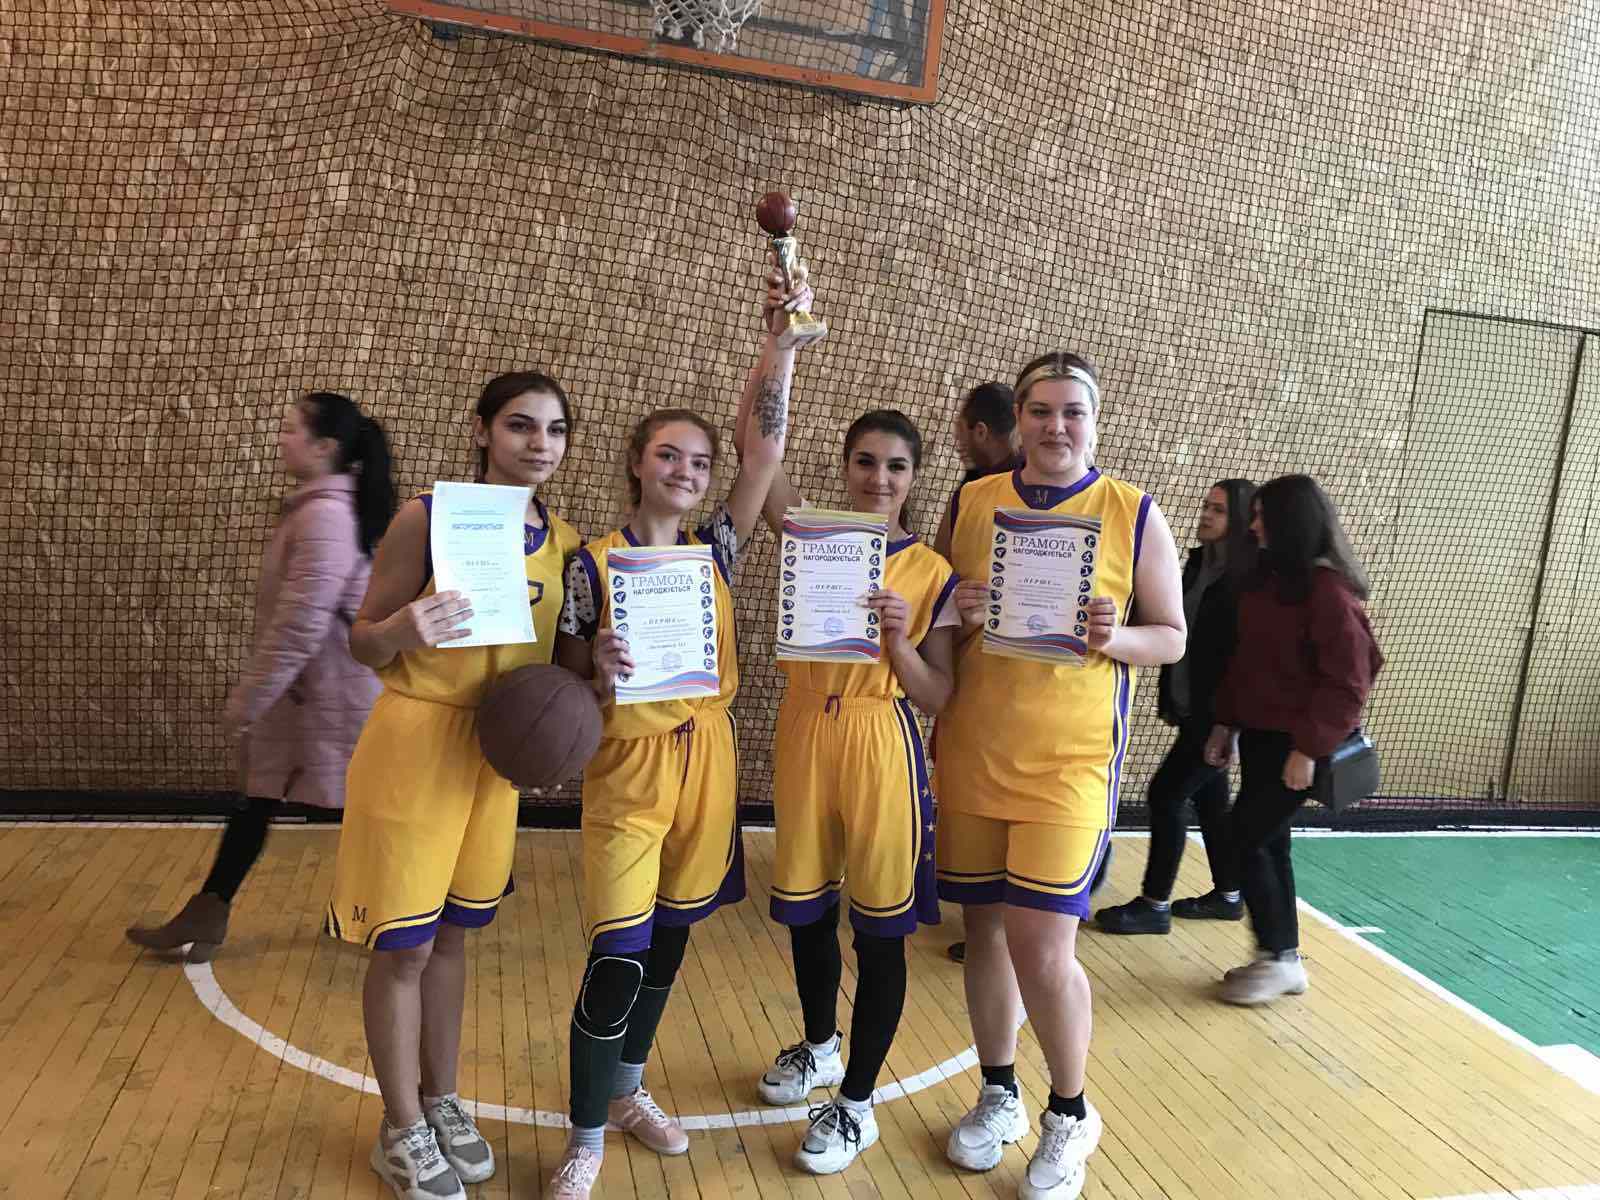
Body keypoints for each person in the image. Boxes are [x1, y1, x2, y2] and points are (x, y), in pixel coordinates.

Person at [543, 269, 806, 1200]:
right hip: (629, 766)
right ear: (636, 462)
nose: (687, 471)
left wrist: (776, 350)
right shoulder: (590, 565)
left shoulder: (716, 549)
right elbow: (565, 678)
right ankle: (584, 1137)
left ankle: (625, 1089)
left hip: (709, 761)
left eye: (698, 461)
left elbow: (763, 455)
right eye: (669, 455)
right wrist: (595, 664)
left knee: (668, 942)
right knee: (617, 952)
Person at [325, 372, 582, 1200]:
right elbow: (363, 639)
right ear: (480, 431)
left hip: (493, 757)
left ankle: (439, 1098)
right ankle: (399, 1128)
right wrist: (400, 628)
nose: (539, 443)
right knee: (402, 945)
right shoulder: (428, 518)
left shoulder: (565, 542)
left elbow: (558, 669)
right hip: (417, 742)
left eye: (554, 429)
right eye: (520, 425)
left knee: (452, 937)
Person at [936, 351, 1185, 1200]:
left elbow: (1172, 637)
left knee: (1044, 946)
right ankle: (997, 1091)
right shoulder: (975, 500)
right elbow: (942, 614)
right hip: (974, 748)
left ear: (1094, 422)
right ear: (1020, 420)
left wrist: (1115, 638)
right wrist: (958, 604)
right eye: (1040, 410)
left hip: (1069, 763)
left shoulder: (1131, 511)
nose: (1056, 426)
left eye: (1072, 411)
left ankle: (1070, 1112)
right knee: (985, 932)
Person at [738, 405, 958, 1173]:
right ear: (845, 466)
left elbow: (937, 695)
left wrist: (898, 640)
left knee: (880, 929)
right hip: (805, 729)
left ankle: (858, 1104)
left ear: (914, 477)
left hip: (878, 737)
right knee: (807, 910)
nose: (879, 478)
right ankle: (821, 1044)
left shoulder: (931, 572)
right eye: (865, 461)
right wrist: (776, 357)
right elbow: (757, 453)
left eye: (896, 466)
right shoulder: (813, 537)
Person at [126, 391, 394, 962]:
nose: (281, 439)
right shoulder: (317, 509)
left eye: (292, 429)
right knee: (260, 802)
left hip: (328, 697)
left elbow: (301, 624)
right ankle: (208, 912)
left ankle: (409, 911)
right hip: (307, 696)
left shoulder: (324, 516)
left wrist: (249, 700)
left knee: (356, 809)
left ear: (324, 447)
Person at [1205, 475, 1382, 1005]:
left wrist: (1308, 748)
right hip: (1261, 739)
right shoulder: (1269, 582)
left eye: (1262, 516)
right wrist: (1225, 724)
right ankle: (1281, 958)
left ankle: (1279, 956)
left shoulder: (1328, 593)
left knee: (1244, 836)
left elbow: (1350, 681)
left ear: (1290, 522)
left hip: (1296, 747)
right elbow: (1246, 665)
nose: (1253, 525)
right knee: (1268, 841)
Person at [1096, 478, 1256, 934]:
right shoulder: (1199, 563)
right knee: (1211, 801)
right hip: (1191, 708)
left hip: (1217, 715)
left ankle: (1155, 903)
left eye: (1219, 510)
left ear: (1240, 520)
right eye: (1207, 506)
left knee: (1166, 795)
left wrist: (1231, 726)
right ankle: (1229, 895)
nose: (1206, 514)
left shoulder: (1246, 583)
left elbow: (1246, 659)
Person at [939, 381, 1019, 965]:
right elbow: (946, 579)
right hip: (976, 681)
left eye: (961, 428)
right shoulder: (971, 493)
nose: (958, 439)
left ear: (981, 430)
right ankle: (993, 922)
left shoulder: (983, 493)